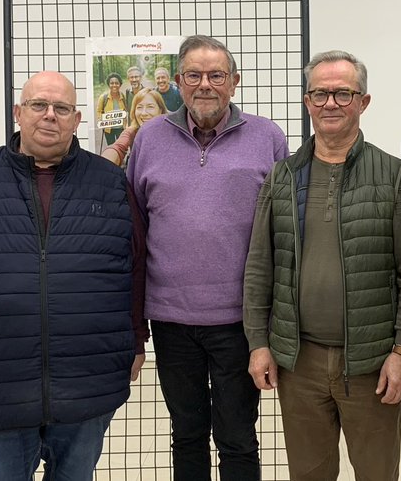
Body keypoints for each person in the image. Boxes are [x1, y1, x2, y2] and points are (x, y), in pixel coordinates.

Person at [0, 71, 147, 481]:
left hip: (86, 378)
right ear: (18, 113)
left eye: (61, 108)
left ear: (76, 119)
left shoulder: (109, 182)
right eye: (38, 105)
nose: (49, 115)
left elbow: (134, 268)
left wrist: (136, 339)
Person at [244, 50, 401, 480]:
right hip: (299, 364)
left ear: (363, 101)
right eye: (320, 94)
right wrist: (258, 342)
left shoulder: (392, 175)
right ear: (307, 101)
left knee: (377, 473)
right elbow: (260, 267)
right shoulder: (282, 177)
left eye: (343, 94)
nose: (331, 103)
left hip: (372, 363)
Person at [128, 35, 288, 481]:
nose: (205, 85)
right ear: (178, 82)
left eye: (216, 75)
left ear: (234, 82)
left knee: (238, 437)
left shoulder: (267, 137)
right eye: (194, 75)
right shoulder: (150, 138)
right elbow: (136, 224)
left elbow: (285, 227)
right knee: (187, 434)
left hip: (240, 320)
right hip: (171, 319)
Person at [101, 86, 167, 167]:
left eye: (150, 107)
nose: (144, 113)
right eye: (139, 107)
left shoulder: (170, 131)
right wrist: (104, 164)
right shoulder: (132, 131)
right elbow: (118, 147)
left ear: (160, 110)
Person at [96, 72, 127, 147]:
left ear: (120, 84)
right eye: (112, 83)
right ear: (109, 84)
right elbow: (99, 111)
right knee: (111, 147)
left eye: (116, 83)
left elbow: (126, 110)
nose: (114, 85)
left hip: (120, 128)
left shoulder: (123, 96)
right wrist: (102, 120)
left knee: (121, 147)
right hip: (108, 129)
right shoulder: (103, 97)